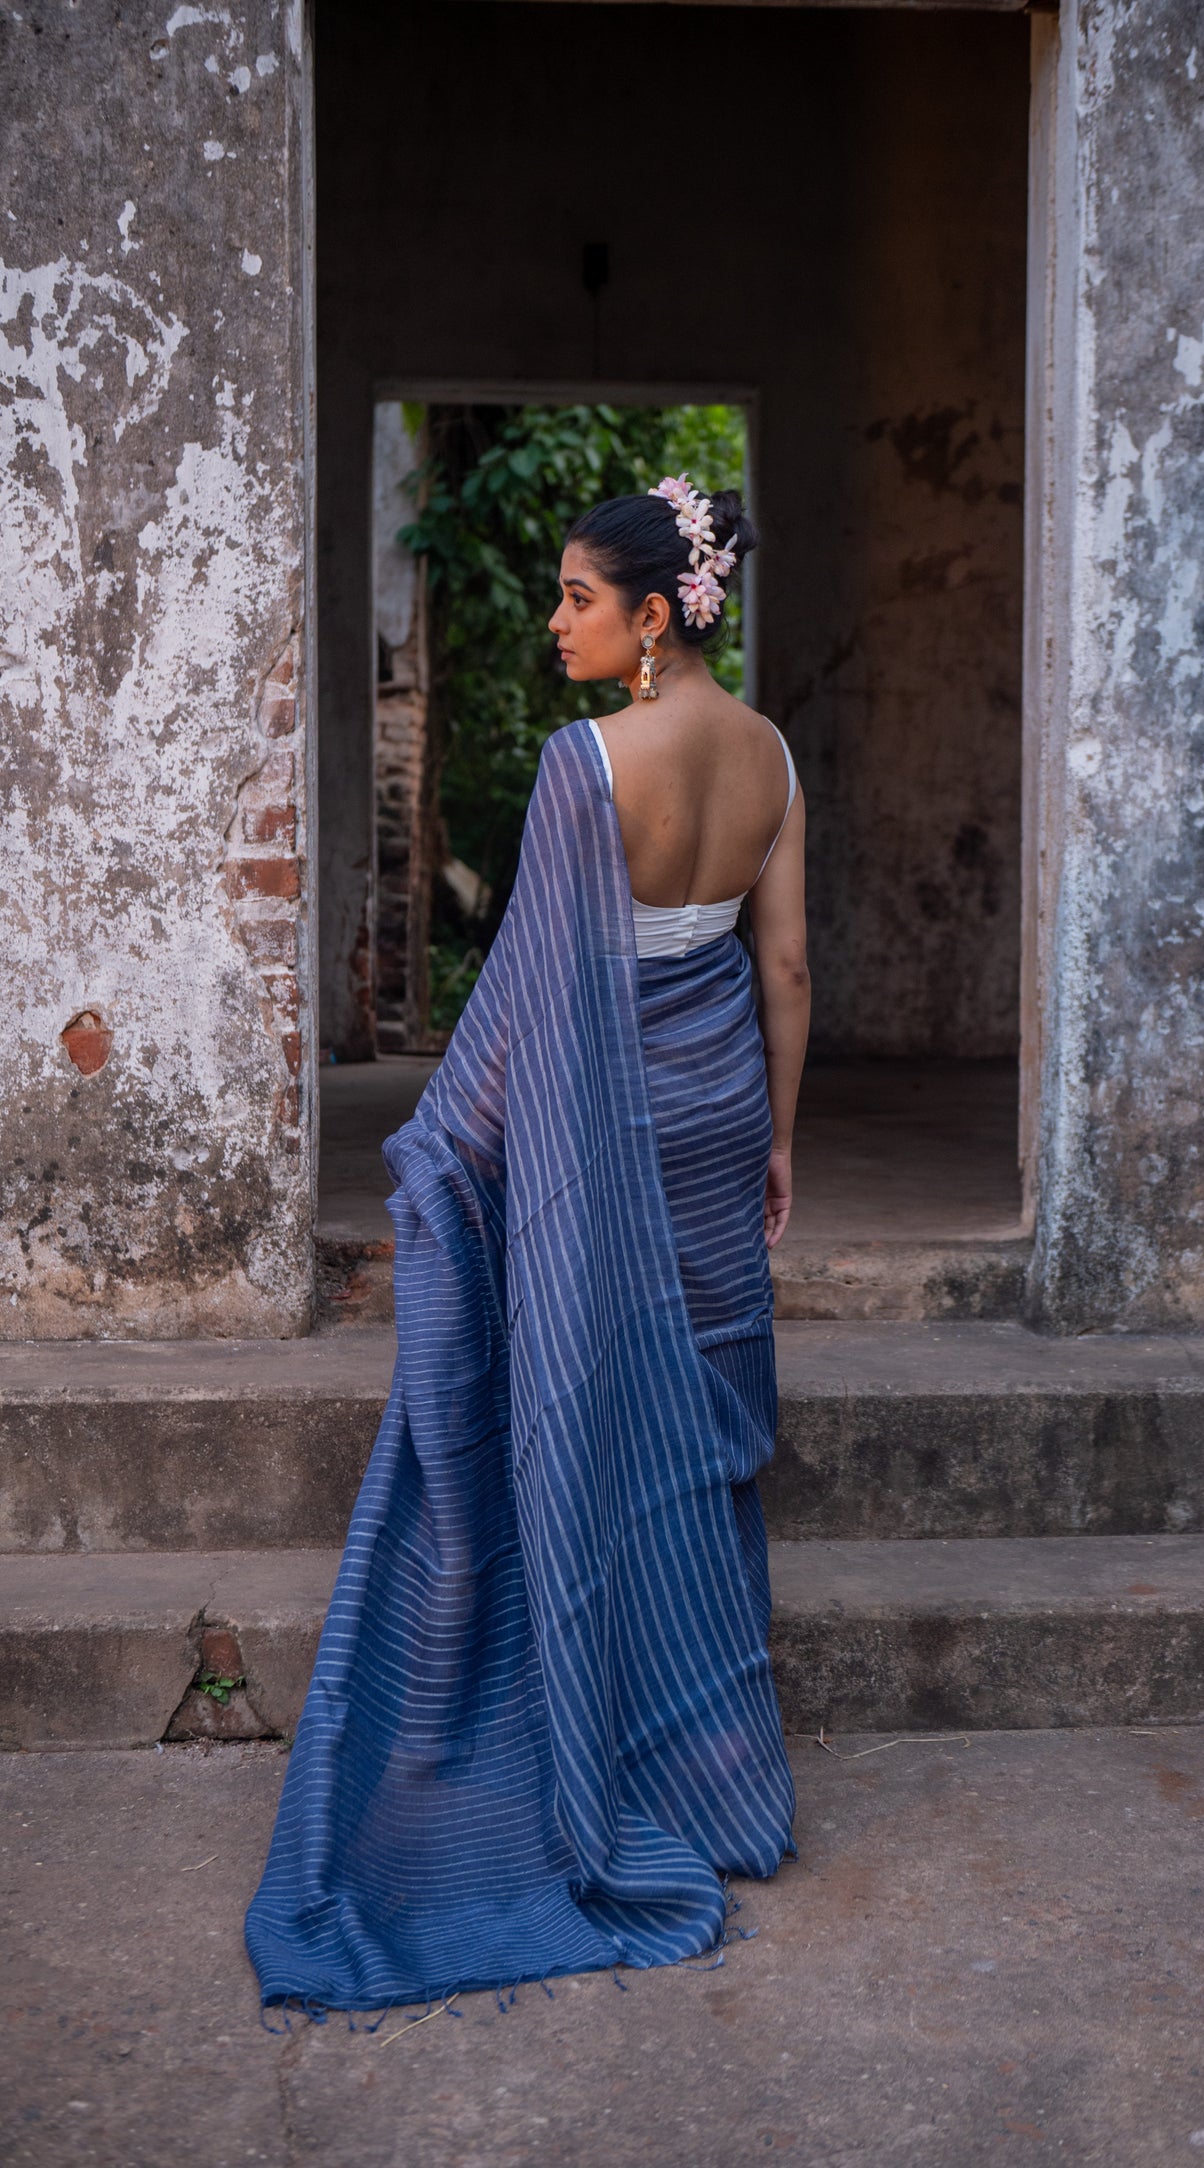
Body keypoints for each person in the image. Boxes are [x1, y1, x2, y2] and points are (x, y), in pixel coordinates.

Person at [245, 477, 810, 2015]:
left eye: (577, 597)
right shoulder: (768, 756)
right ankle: (709, 1768)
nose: (557, 622)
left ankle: (592, 1746)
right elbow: (786, 972)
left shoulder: (587, 763)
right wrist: (776, 1138)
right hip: (714, 1112)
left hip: (606, 1125)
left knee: (589, 1399)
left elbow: (532, 993)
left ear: (653, 614)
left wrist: (450, 1146)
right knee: (697, 1419)